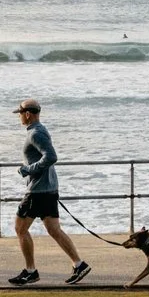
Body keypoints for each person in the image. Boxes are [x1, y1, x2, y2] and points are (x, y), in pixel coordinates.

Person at [7, 99, 88, 287]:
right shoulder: (39, 130)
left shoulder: (36, 133)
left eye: (20, 114)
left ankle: (30, 271)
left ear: (27, 114)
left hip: (38, 191)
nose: (19, 117)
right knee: (54, 230)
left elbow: (51, 156)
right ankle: (79, 264)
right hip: (48, 188)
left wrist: (27, 169)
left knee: (20, 228)